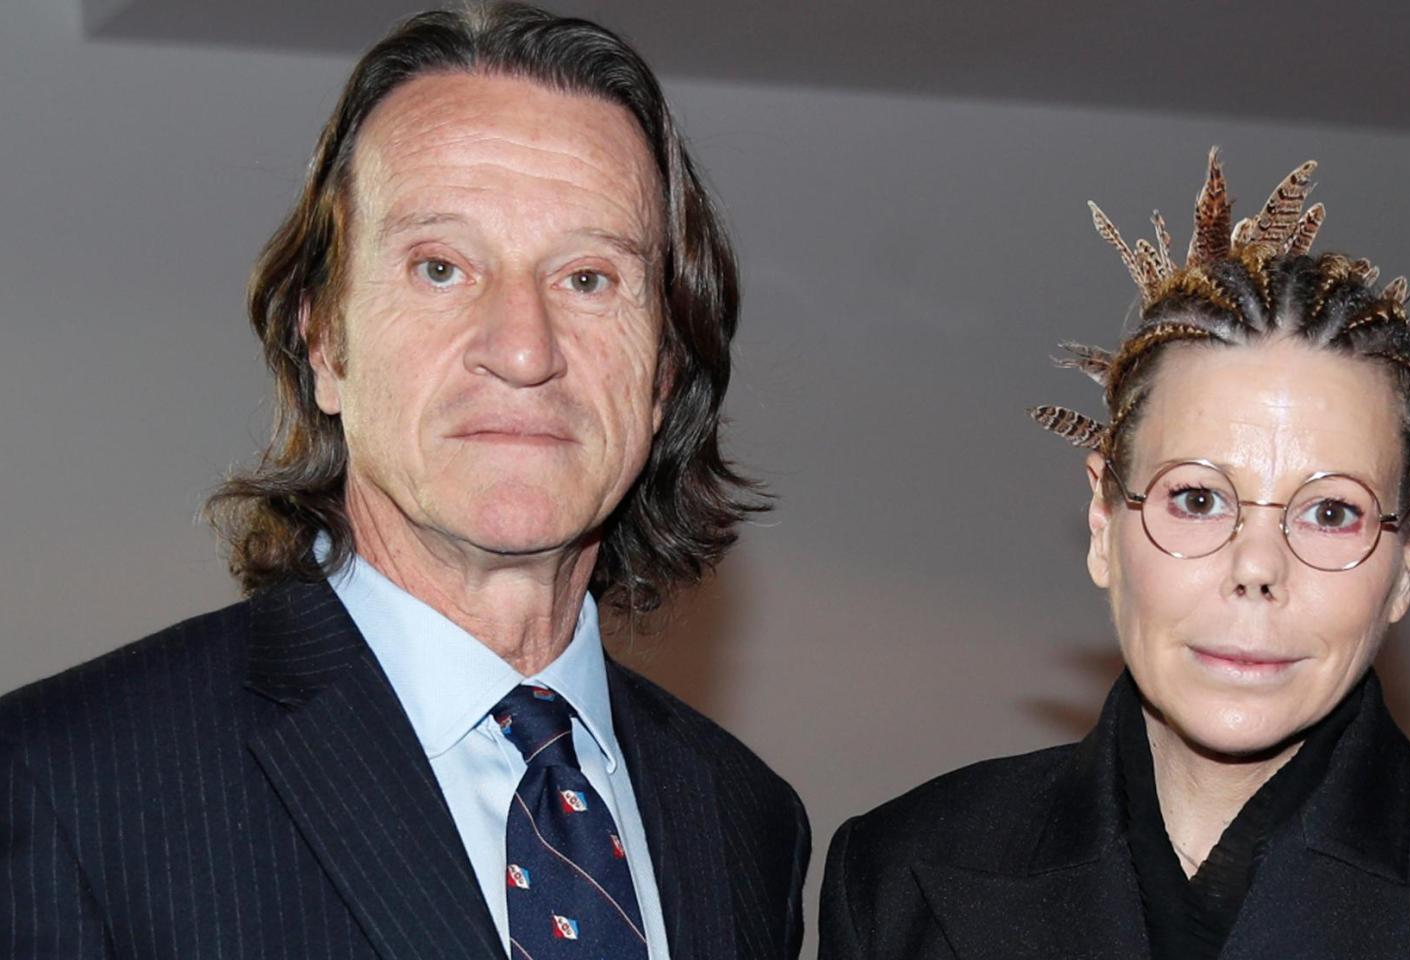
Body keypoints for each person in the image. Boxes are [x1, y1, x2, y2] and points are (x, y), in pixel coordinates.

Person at [0, 5, 808, 959]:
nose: (523, 349)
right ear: (324, 343)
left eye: (589, 279)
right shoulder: (64, 785)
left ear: (664, 368)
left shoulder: (748, 821)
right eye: (441, 268)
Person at [818, 149, 1410, 959]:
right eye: (1198, 499)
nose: (1257, 568)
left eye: (1331, 512)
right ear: (1103, 523)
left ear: (1408, 555)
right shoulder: (899, 873)